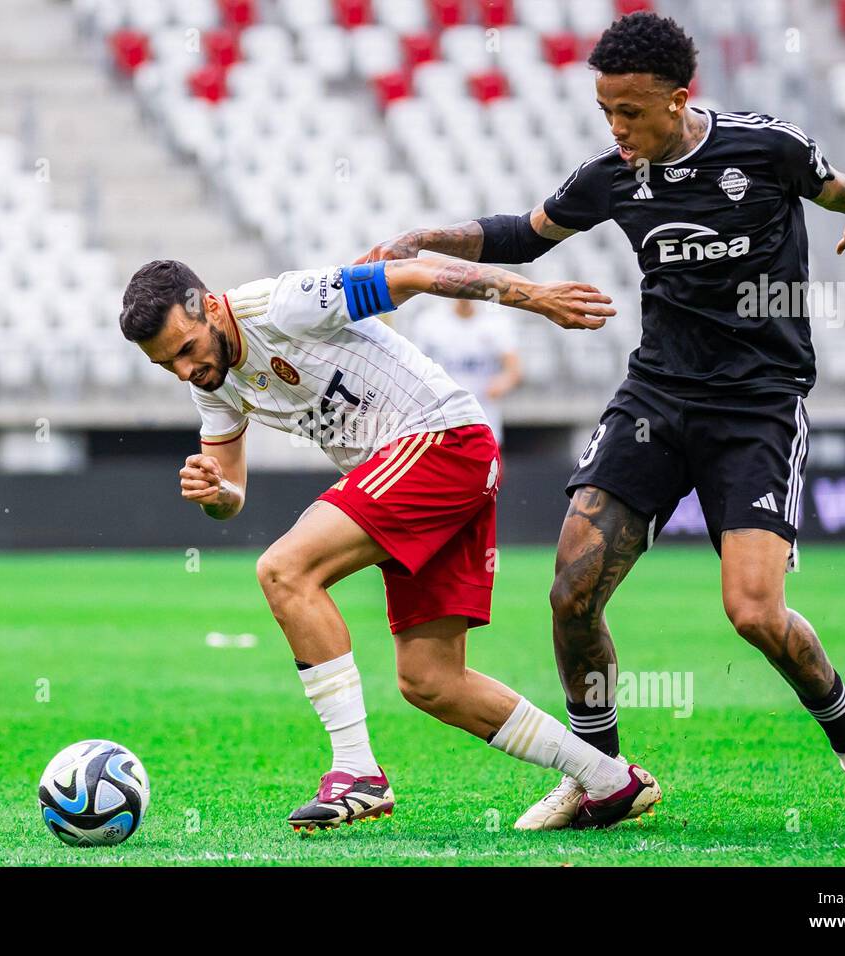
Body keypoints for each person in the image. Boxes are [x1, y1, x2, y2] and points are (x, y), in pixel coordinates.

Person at [357, 11, 845, 830]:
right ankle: (601, 774)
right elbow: (527, 235)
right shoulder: (613, 175)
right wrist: (422, 240)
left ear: (679, 98)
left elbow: (844, 191)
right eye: (604, 113)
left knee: (754, 614)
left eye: (630, 112)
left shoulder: (767, 149)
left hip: (758, 403)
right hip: (655, 400)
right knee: (571, 593)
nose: (616, 129)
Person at [118, 255, 661, 832]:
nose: (183, 370)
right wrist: (213, 491)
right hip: (435, 466)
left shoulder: (283, 304)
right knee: (432, 681)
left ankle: (357, 774)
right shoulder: (213, 382)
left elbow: (415, 272)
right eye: (166, 364)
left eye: (185, 348)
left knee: (284, 569)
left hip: (441, 440)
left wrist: (536, 296)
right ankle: (609, 780)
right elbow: (231, 497)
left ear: (206, 304)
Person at [410, 298, 522, 445]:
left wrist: (502, 382)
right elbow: (414, 367)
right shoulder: (430, 321)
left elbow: (514, 369)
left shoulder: (496, 322)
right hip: (442, 422)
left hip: (484, 418)